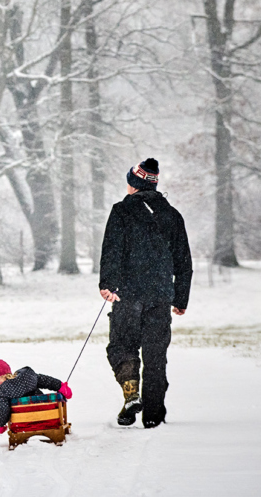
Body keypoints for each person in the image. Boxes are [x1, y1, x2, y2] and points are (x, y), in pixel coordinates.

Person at [98, 158, 193, 428]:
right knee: (154, 354)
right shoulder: (172, 215)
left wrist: (107, 284)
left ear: (134, 183)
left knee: (121, 346)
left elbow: (112, 250)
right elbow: (183, 261)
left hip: (127, 295)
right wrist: (181, 298)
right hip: (160, 296)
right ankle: (153, 414)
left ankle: (131, 394)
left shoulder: (121, 212)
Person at [0, 359, 72, 434]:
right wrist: (61, 386)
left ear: (3, 375)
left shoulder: (3, 393)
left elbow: (3, 410)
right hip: (46, 418)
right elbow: (46, 381)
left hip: (22, 424)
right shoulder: (28, 377)